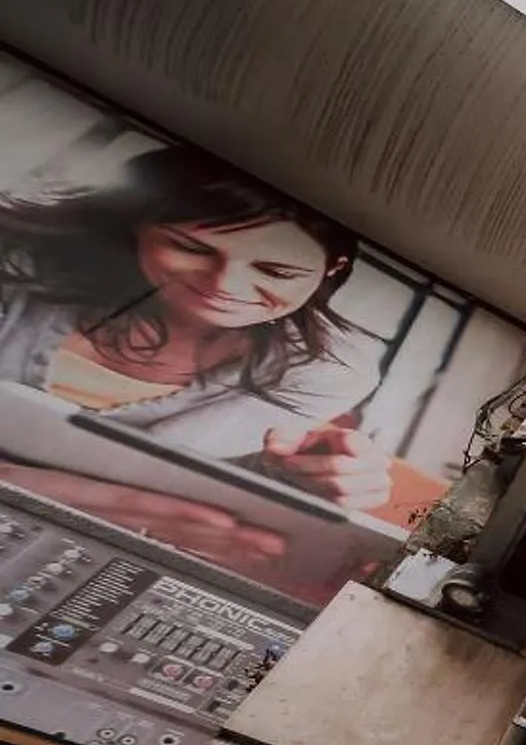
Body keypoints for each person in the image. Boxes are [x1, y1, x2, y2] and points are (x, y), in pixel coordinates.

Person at [0, 145, 396, 574]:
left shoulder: (326, 369)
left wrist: (299, 477)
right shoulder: (15, 267)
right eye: (189, 247)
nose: (224, 285)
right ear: (135, 224)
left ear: (332, 270)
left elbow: (175, 472)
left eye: (276, 271)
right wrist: (40, 488)